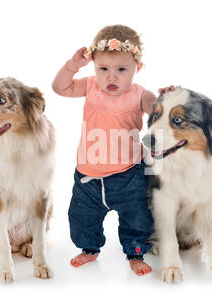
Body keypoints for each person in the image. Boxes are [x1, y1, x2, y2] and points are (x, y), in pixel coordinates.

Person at [52, 25, 159, 276]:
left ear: (137, 68)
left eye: (121, 69)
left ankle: (135, 253)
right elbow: (60, 88)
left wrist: (163, 102)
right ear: (94, 67)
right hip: (87, 176)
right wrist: (72, 65)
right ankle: (89, 249)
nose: (111, 77)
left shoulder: (141, 95)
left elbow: (158, 110)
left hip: (127, 175)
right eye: (103, 69)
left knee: (136, 218)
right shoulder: (89, 87)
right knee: (81, 217)